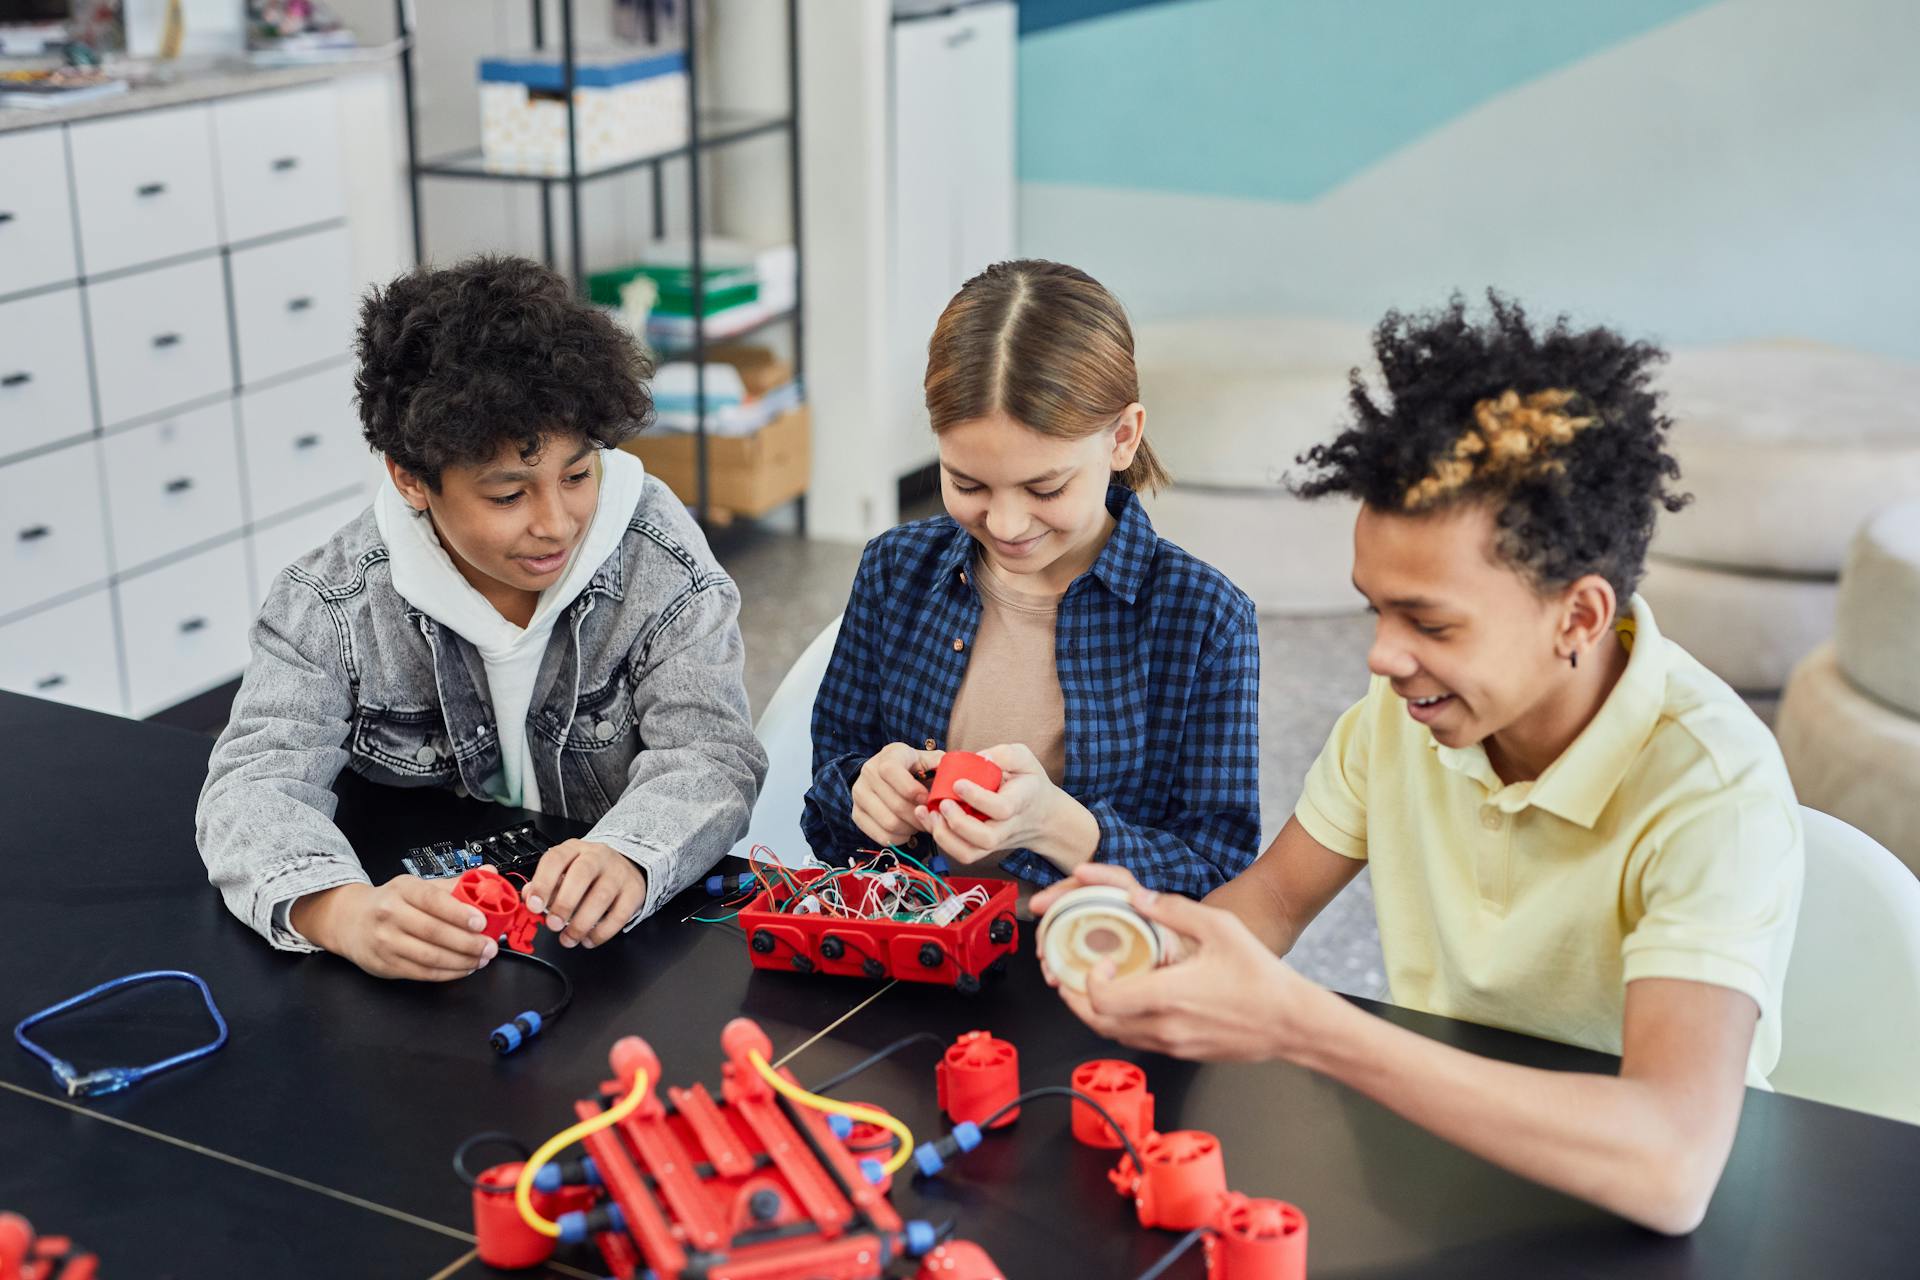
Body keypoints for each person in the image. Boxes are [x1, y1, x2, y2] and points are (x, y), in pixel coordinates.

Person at [1034, 293, 1803, 1234]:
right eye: (1375, 609)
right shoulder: (1401, 723)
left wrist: (1305, 1024)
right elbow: (1271, 904)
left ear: (1580, 617)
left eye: (1430, 623)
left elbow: (1671, 1166)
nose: (1382, 657)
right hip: (1442, 1177)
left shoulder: (1711, 790)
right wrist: (1147, 937)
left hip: (1630, 1221)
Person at [197, 255, 766, 980]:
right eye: (508, 496)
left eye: (578, 474)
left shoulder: (658, 558)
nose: (556, 524)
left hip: (611, 956)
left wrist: (627, 851)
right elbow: (252, 784)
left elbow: (711, 753)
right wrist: (340, 912)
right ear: (410, 479)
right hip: (430, 942)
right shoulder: (332, 603)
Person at [802, 259, 1260, 896]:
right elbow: (828, 793)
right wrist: (863, 793)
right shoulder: (894, 569)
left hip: (1089, 968)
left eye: (1045, 486)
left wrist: (1057, 828)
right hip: (907, 947)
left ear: (1122, 438)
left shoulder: (1203, 618)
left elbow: (1220, 873)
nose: (1007, 522)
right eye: (967, 483)